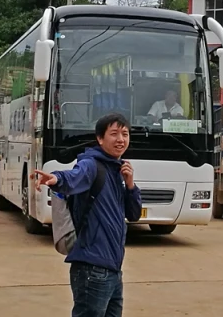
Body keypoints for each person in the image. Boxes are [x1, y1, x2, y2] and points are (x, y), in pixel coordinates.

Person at [34, 113, 142, 317]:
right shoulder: (92, 165)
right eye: (114, 134)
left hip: (113, 269)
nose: (121, 139)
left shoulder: (117, 170)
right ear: (100, 139)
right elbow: (74, 177)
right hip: (92, 269)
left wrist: (130, 185)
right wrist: (56, 178)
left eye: (125, 134)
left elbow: (134, 214)